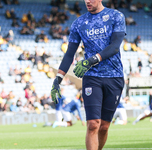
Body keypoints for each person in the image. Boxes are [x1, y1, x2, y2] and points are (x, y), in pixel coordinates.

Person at [50, 0, 126, 149]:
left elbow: (114, 47)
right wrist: (57, 80)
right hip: (92, 77)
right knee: (92, 124)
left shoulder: (116, 16)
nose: (87, 1)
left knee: (104, 126)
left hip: (114, 76)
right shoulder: (79, 23)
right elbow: (69, 54)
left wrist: (91, 60)